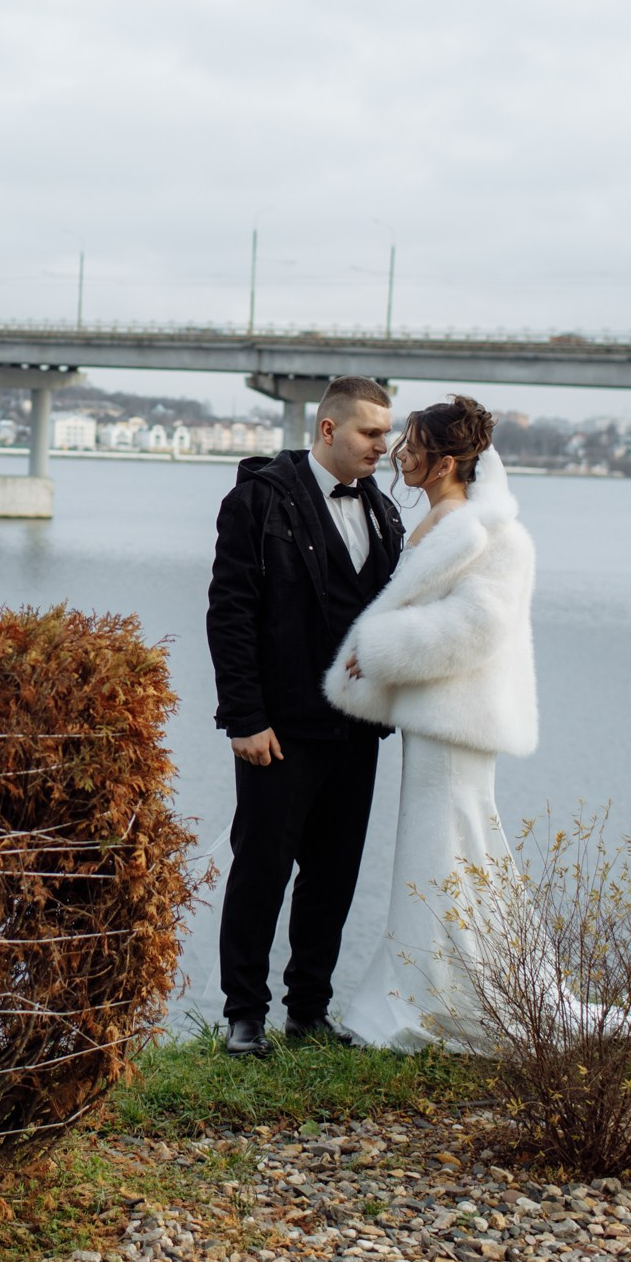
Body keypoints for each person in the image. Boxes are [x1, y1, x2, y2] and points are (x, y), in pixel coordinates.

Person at [324, 396, 631, 1051]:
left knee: (455, 847)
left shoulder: (496, 536)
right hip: (429, 721)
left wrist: (376, 646)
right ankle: (425, 992)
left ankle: (446, 1002)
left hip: (459, 724)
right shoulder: (434, 523)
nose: (400, 454)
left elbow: (477, 627)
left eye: (412, 443)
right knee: (436, 853)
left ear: (447, 458)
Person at [206, 375, 404, 1056]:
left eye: (387, 431)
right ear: (328, 430)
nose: (386, 444)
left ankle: (309, 1013)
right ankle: (244, 1016)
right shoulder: (257, 500)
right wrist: (243, 717)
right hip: (279, 729)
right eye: (371, 432)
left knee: (334, 873)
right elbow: (229, 615)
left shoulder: (383, 510)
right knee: (261, 867)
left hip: (356, 729)